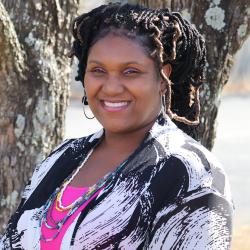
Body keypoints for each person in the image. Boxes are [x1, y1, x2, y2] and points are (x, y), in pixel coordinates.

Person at [0, 3, 233, 249]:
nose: (111, 87)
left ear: (163, 77)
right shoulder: (62, 158)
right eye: (98, 70)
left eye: (130, 72)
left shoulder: (191, 172)